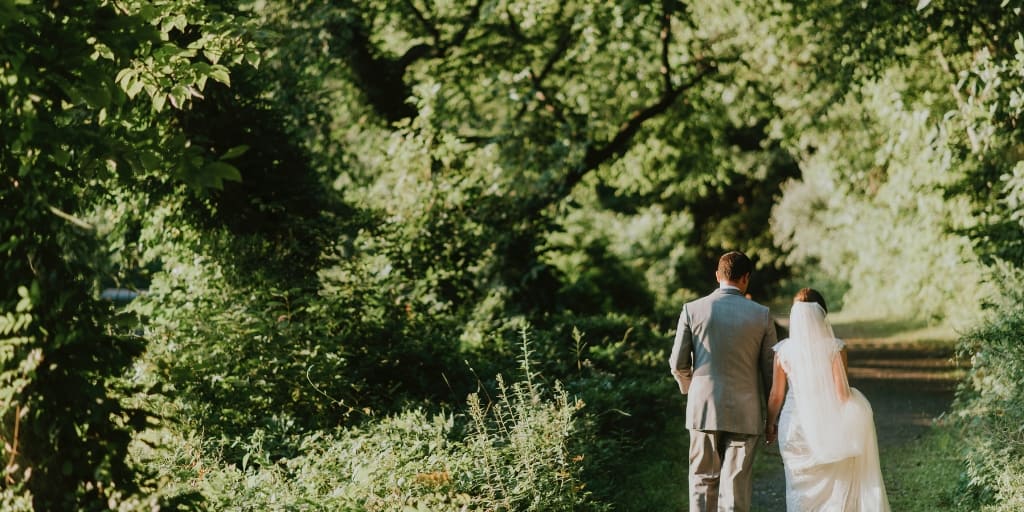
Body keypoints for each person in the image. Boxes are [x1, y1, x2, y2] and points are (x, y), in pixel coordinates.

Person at [669, 251, 777, 511]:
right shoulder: (762, 315)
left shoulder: (692, 310)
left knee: (702, 481)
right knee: (736, 487)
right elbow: (771, 372)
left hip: (703, 408)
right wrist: (772, 419)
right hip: (746, 411)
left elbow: (677, 363)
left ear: (717, 276)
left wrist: (690, 388)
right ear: (746, 278)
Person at [765, 288, 890, 511]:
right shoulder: (835, 348)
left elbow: (776, 395)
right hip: (827, 425)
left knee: (797, 488)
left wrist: (769, 424)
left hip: (793, 428)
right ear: (823, 315)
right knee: (833, 486)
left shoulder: (784, 351)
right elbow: (842, 395)